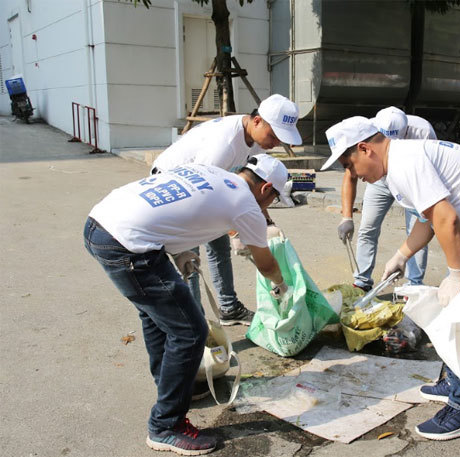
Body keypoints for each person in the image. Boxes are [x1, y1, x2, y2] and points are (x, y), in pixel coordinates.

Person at [321, 117, 460, 441]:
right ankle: (453, 382)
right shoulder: (399, 166)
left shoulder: (406, 161)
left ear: (365, 149)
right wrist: (401, 256)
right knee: (451, 312)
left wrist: (455, 274)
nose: (355, 176)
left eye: (351, 166)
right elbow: (428, 220)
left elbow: (447, 219)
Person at [84, 154, 291, 455]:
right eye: (273, 199)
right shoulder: (246, 204)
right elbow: (265, 263)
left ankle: (170, 388)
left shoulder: (210, 172)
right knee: (190, 331)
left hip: (99, 222)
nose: (269, 206)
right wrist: (281, 285)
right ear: (266, 188)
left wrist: (178, 251)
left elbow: (171, 208)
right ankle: (166, 426)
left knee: (157, 316)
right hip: (127, 245)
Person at [151, 94, 301, 326]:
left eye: (280, 139)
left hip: (207, 189)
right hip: (179, 191)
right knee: (190, 257)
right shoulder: (224, 146)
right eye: (273, 135)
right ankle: (195, 322)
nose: (275, 143)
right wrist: (236, 232)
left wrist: (267, 222)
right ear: (258, 120)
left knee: (218, 247)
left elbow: (250, 189)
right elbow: (202, 196)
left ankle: (229, 308)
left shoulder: (255, 142)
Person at [336, 106, 436, 291]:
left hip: (413, 181)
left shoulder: (423, 131)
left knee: (416, 229)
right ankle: (361, 282)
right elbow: (350, 173)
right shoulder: (367, 130)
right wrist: (347, 217)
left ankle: (413, 286)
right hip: (378, 179)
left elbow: (430, 170)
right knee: (368, 228)